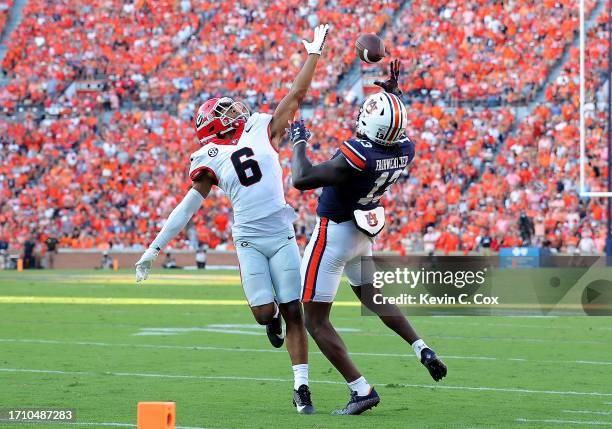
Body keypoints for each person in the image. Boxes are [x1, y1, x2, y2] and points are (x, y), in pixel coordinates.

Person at [134, 24, 330, 414]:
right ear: (212, 125)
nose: (234, 109)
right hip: (249, 240)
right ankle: (269, 320)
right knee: (264, 314)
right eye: (224, 111)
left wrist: (313, 55)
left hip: (282, 233)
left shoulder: (260, 126)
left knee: (296, 310)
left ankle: (302, 386)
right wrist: (154, 247)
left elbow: (296, 96)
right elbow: (187, 207)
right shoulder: (207, 157)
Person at [289, 60, 447, 415]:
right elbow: (392, 128)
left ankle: (361, 390)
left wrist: (299, 141)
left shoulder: (358, 157)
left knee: (315, 320)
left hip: (334, 233)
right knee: (374, 299)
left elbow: (301, 179)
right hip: (363, 233)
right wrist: (392, 94)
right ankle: (421, 347)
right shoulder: (405, 149)